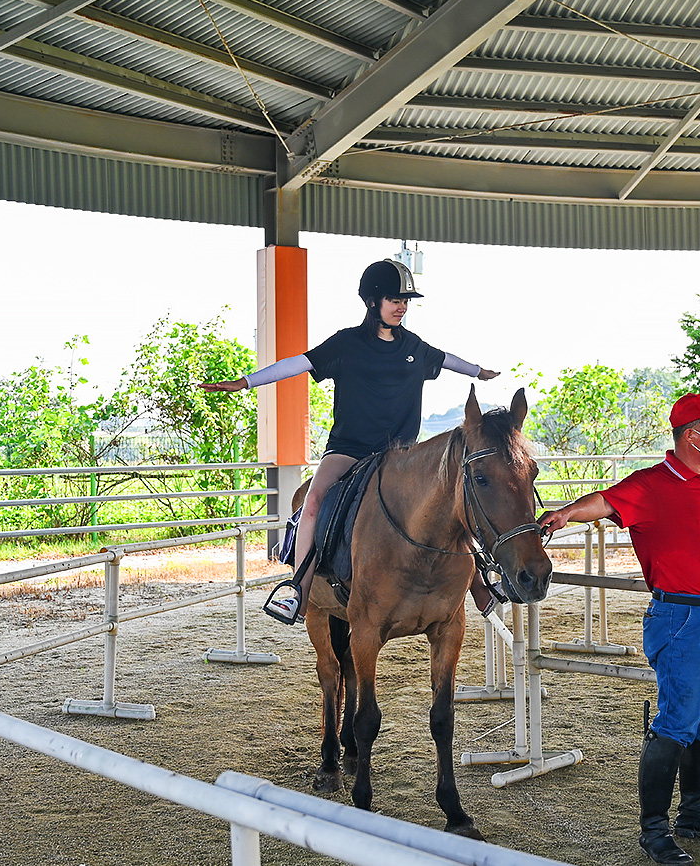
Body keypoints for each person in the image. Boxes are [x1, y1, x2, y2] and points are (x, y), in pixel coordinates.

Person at [538, 390, 700, 865]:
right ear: (693, 435)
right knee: (675, 725)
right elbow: (602, 502)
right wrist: (563, 515)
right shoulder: (650, 484)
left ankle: (694, 813)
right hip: (684, 618)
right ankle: (654, 830)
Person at [200, 258, 501, 625]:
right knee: (311, 503)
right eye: (394, 298)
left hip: (402, 457)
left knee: (450, 501)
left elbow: (445, 358)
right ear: (373, 302)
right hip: (349, 451)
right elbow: (296, 363)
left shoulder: (414, 347)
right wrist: (246, 382)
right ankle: (299, 590)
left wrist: (477, 371)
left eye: (406, 300)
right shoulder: (347, 343)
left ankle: (478, 581)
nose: (402, 306)